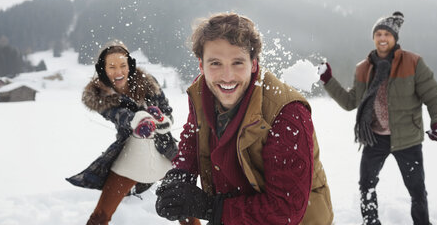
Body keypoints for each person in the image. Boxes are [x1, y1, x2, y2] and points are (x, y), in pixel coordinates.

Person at [155, 13, 333, 225]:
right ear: (201, 66)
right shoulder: (202, 92)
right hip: (234, 213)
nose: (227, 76)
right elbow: (194, 135)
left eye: (238, 62)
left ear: (254, 64)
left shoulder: (287, 113)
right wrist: (181, 173)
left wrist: (211, 208)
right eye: (215, 63)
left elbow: (286, 208)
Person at [318, 11, 437, 225]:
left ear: (395, 38)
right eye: (378, 33)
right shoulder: (363, 68)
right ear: (373, 38)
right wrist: (327, 80)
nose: (382, 38)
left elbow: (433, 96)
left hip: (408, 138)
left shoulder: (413, 62)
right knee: (366, 184)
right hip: (375, 137)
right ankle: (371, 222)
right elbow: (350, 102)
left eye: (386, 34)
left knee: (416, 189)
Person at [66, 41, 178, 225]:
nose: (118, 72)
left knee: (183, 208)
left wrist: (161, 120)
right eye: (112, 67)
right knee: (101, 215)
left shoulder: (148, 83)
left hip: (164, 153)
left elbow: (167, 113)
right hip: (130, 157)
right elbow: (119, 115)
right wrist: (139, 119)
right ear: (103, 69)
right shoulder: (99, 94)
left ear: (130, 65)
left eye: (123, 65)